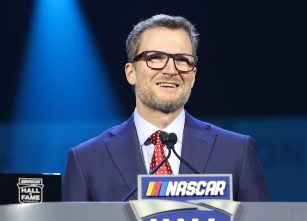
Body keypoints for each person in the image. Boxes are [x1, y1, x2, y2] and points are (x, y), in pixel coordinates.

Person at [62, 14, 269, 201]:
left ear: (193, 75)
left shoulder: (236, 151)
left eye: (182, 60)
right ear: (130, 72)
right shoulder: (87, 160)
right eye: (155, 58)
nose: (170, 70)